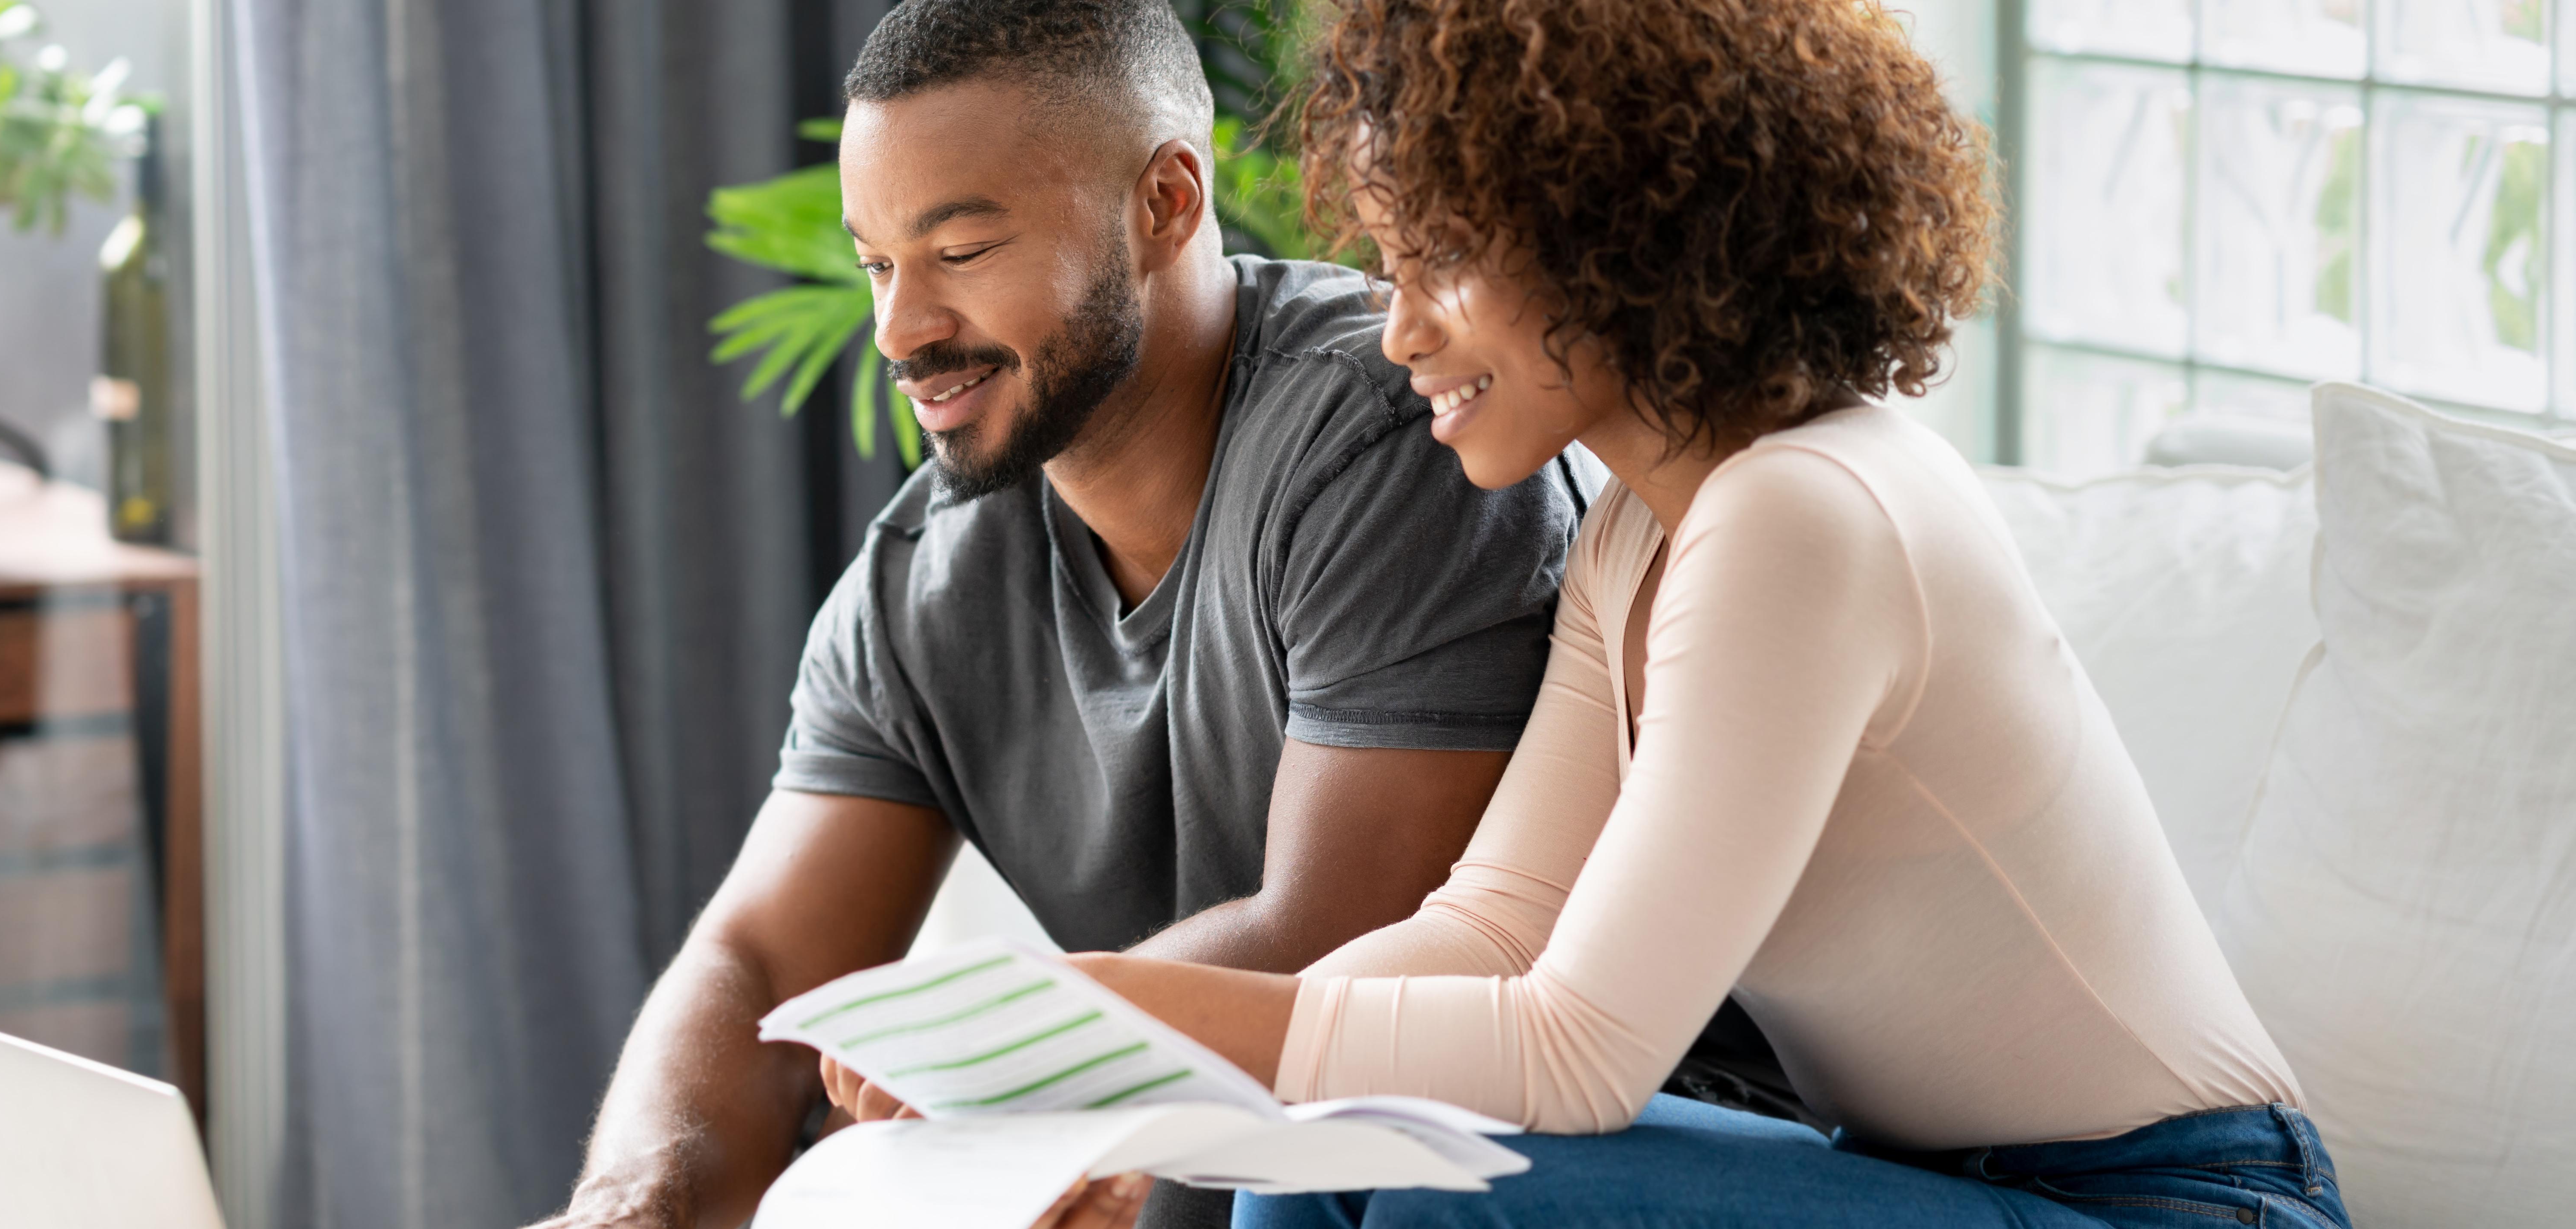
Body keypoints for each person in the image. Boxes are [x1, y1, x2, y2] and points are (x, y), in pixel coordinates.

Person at [827, 0, 2354, 1226]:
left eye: (1440, 266)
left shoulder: (1801, 516)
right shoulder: (1639, 526)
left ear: (1614, 229)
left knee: (1452, 1195)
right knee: (1319, 1143)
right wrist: (1163, 1103)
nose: (1398, 331)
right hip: (1939, 1184)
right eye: (1389, 268)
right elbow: (1487, 926)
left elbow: (1578, 1051)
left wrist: (1105, 1019)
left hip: (2176, 1200)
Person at [530, 3, 1807, 1227]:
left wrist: (1023, 1063)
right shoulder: (921, 581)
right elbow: (760, 962)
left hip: (1564, 1164)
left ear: (1166, 202)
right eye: (878, 265)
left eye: (961, 253)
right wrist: (633, 1199)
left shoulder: (1398, 435)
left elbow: (1346, 939)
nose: (899, 329)